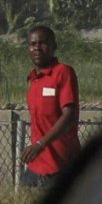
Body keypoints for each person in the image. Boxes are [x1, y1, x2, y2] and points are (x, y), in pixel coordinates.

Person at [21, 24, 80, 188]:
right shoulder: (34, 79)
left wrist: (41, 144)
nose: (37, 48)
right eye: (33, 44)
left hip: (60, 167)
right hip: (35, 167)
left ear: (54, 46)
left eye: (43, 43)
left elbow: (69, 116)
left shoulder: (63, 72)